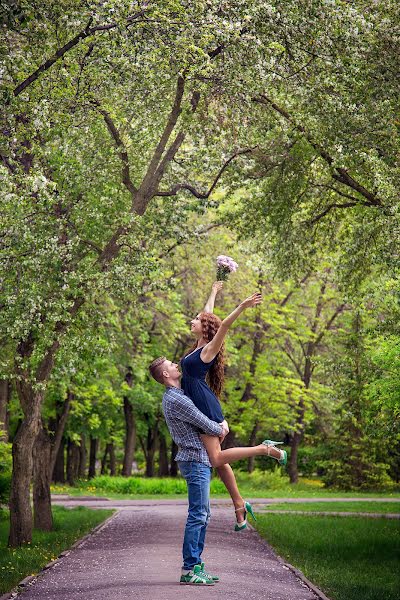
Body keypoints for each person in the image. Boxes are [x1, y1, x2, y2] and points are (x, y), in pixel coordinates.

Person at [181, 284, 286, 531]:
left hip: (204, 407)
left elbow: (223, 326)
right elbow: (208, 313)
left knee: (216, 458)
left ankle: (265, 450)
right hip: (203, 403)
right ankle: (239, 505)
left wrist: (241, 306)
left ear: (205, 328)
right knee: (218, 461)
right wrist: (214, 290)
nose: (193, 320)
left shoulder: (208, 350)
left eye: (196, 320)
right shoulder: (198, 346)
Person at [149, 356, 228, 585]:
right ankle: (189, 568)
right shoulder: (176, 400)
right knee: (198, 515)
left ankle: (196, 565)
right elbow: (203, 422)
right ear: (165, 374)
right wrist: (221, 427)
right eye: (172, 365)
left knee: (204, 514)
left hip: (198, 459)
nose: (176, 366)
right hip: (194, 460)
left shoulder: (179, 394)